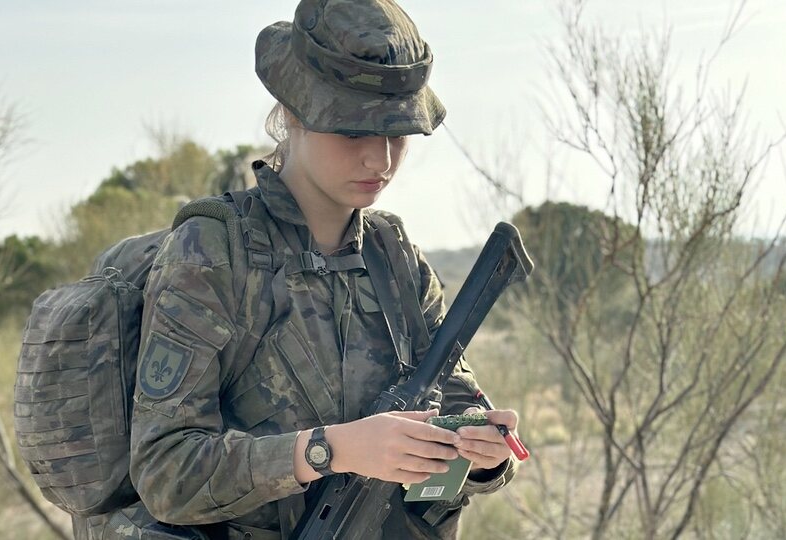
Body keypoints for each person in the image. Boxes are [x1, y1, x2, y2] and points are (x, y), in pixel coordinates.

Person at [79, 1, 521, 538]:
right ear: (293, 112)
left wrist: (482, 454)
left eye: (397, 133)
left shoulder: (395, 254)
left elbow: (457, 405)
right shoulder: (213, 252)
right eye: (355, 132)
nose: (380, 161)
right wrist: (331, 449)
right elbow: (166, 473)